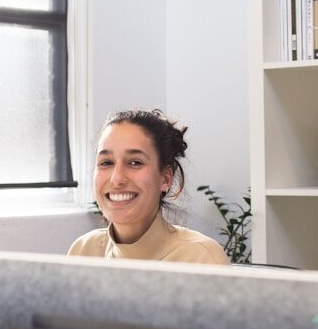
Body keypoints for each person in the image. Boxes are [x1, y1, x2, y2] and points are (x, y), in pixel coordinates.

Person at [68, 109, 230, 265]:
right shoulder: (83, 251)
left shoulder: (201, 258)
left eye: (135, 162)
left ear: (165, 179)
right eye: (106, 163)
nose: (117, 179)